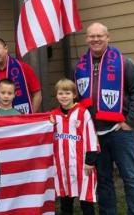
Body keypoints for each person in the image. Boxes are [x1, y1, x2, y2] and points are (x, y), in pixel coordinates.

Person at [75, 23, 134, 215]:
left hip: (119, 131)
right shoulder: (79, 66)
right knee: (103, 179)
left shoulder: (123, 62)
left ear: (108, 37)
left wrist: (130, 122)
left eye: (99, 36)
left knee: (130, 177)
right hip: (95, 134)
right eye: (91, 36)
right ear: (86, 39)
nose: (95, 39)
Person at [50, 78, 98, 215]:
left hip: (82, 165)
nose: (64, 96)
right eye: (60, 93)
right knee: (65, 202)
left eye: (67, 93)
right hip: (62, 166)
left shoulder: (82, 113)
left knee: (86, 201)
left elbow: (91, 137)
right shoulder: (53, 116)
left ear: (74, 95)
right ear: (56, 95)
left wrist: (90, 161)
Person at [0, 38, 42, 114]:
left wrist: (30, 117)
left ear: (6, 49)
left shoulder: (23, 68)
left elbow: (37, 94)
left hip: (22, 119)